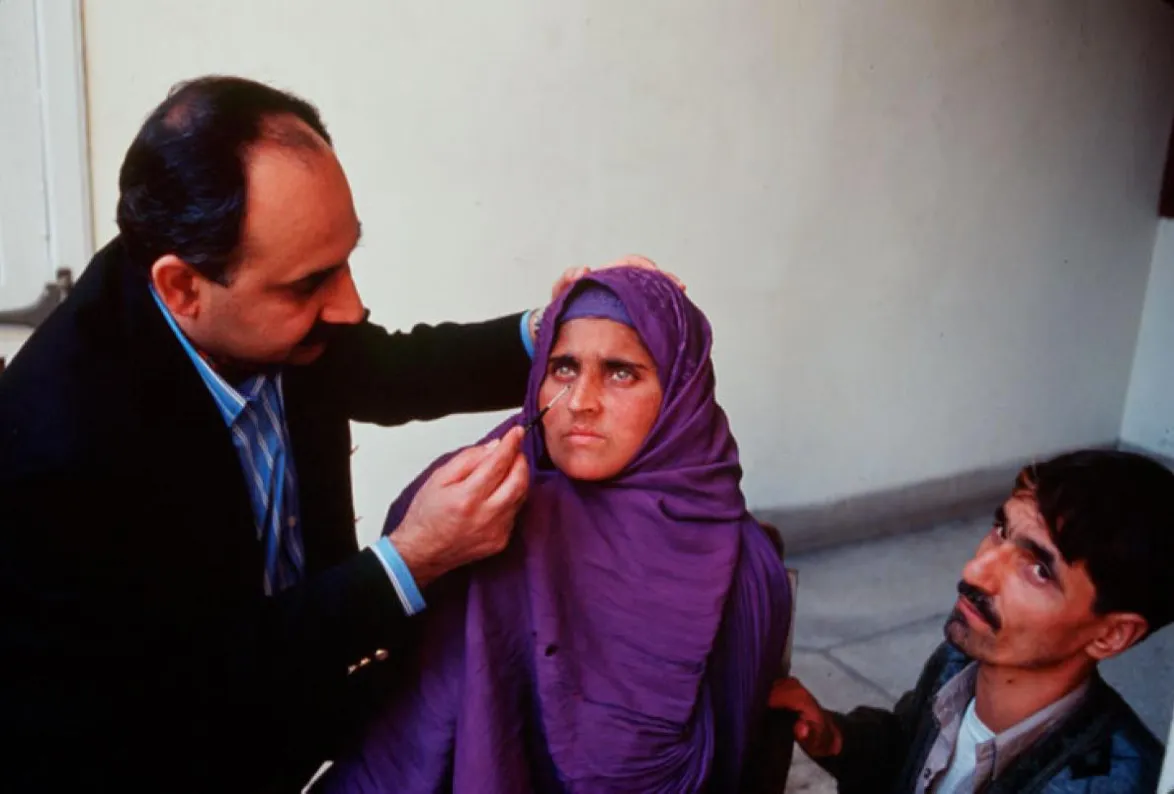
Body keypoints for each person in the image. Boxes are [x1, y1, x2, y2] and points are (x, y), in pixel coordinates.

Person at [0, 75, 673, 792]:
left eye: (348, 257)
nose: (349, 306)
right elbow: (181, 691)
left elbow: (384, 369)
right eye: (310, 284)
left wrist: (547, 332)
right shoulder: (56, 442)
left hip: (303, 715)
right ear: (181, 289)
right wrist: (409, 562)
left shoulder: (255, 309)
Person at [316, 268, 793, 793]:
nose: (580, 400)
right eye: (563, 368)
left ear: (681, 392)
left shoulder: (741, 561)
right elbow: (414, 741)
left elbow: (733, 761)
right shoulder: (484, 514)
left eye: (621, 372)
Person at [770, 450, 1173, 793]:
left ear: (1112, 635)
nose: (976, 570)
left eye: (1039, 571)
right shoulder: (957, 663)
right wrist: (840, 740)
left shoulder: (1116, 783)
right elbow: (907, 744)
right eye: (1001, 530)